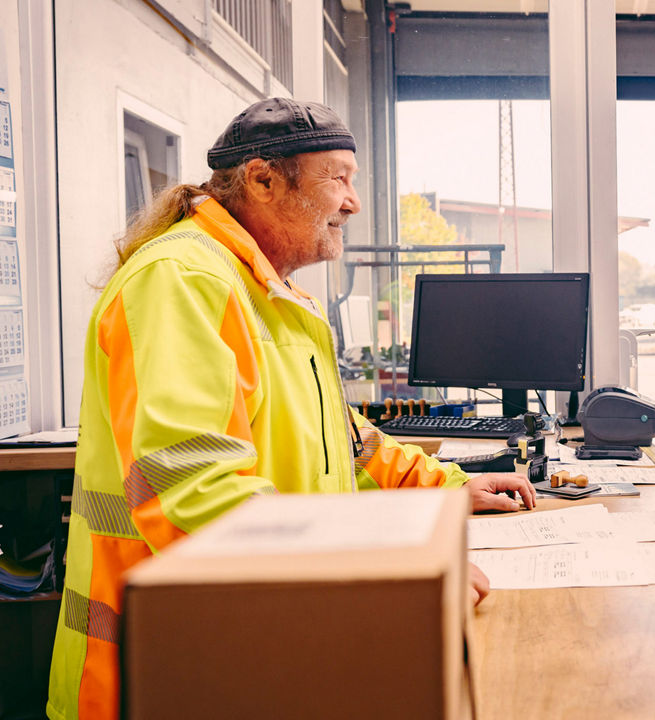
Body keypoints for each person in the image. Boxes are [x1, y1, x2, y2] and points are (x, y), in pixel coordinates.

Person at [47, 98, 534, 720]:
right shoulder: (184, 280)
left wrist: (451, 485)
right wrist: (390, 571)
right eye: (339, 179)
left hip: (258, 642)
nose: (353, 202)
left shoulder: (269, 292)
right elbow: (193, 487)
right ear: (264, 179)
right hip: (168, 669)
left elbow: (343, 445)